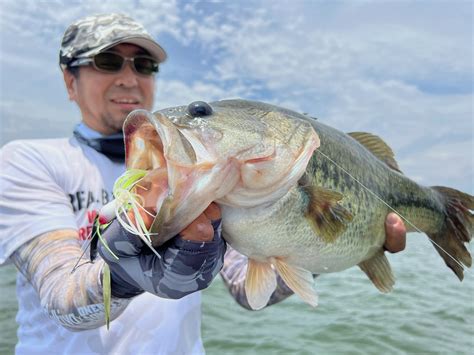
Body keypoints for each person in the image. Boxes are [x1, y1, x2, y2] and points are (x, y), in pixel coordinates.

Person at [0, 13, 406, 354]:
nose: (129, 78)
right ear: (69, 81)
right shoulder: (29, 161)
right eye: (107, 62)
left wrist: (326, 245)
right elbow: (60, 297)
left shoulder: (207, 177)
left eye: (144, 65)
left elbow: (247, 292)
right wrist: (121, 277)